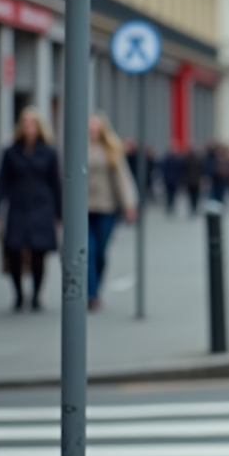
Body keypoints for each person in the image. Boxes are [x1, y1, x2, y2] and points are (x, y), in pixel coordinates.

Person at [0, 107, 61, 311]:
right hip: (18, 206)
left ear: (39, 127)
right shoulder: (10, 151)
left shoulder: (49, 152)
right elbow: (1, 181)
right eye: (25, 124)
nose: (28, 128)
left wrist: (59, 213)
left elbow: (55, 183)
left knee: (39, 252)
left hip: (41, 206)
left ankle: (36, 296)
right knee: (13, 250)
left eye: (32, 124)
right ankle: (19, 294)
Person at [87, 112, 137, 311]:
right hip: (84, 208)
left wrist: (129, 204)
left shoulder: (112, 148)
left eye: (96, 126)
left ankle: (96, 288)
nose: (93, 130)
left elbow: (122, 177)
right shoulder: (78, 146)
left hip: (107, 207)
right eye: (90, 126)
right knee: (87, 251)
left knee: (100, 252)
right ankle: (90, 294)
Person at [180, 146, 204, 215]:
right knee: (196, 196)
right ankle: (194, 207)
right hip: (196, 181)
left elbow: (183, 171)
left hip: (189, 181)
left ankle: (192, 208)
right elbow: (202, 170)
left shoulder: (186, 160)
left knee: (191, 196)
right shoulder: (198, 159)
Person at [161, 145, 182, 216]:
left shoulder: (177, 160)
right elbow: (163, 169)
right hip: (168, 180)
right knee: (168, 195)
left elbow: (179, 171)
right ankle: (169, 207)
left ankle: (171, 207)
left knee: (173, 195)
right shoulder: (167, 159)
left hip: (174, 180)